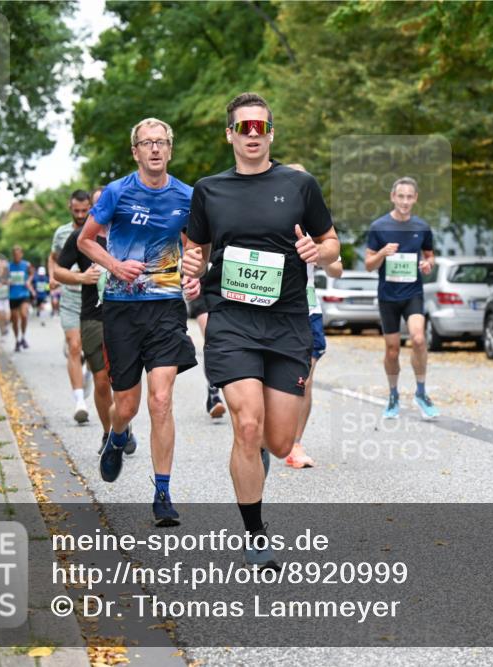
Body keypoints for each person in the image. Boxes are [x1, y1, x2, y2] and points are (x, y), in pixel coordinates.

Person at [183, 93, 339, 568]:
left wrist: (319, 252)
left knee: (279, 441)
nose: (253, 135)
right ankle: (255, 533)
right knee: (246, 423)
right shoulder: (209, 190)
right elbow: (196, 251)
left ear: (271, 133)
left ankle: (259, 456)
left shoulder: (299, 184)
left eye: (261, 128)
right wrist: (191, 262)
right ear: (229, 134)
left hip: (288, 321)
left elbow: (332, 244)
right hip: (232, 320)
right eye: (243, 127)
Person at [78, 118, 198, 528]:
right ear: (135, 152)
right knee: (126, 404)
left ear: (170, 149)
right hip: (122, 308)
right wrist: (114, 265)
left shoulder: (187, 196)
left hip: (165, 306)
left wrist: (195, 271)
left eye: (161, 142)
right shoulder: (116, 192)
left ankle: (162, 492)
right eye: (146, 143)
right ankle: (116, 436)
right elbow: (86, 240)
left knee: (161, 400)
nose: (154, 149)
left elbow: (195, 246)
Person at [54, 186, 139, 458]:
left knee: (123, 380)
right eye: (98, 205)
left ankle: (122, 425)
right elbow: (58, 271)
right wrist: (81, 278)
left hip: (127, 316)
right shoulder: (81, 237)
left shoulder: (129, 233)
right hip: (93, 317)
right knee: (102, 380)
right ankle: (108, 432)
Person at [283, 163, 344, 469]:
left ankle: (295, 444)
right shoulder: (267, 217)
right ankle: (269, 434)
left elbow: (337, 268)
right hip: (272, 312)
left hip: (307, 309)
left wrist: (319, 254)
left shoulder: (315, 223)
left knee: (304, 380)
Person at [364, 176, 439, 420]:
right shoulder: (379, 227)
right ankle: (393, 394)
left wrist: (428, 265)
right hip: (388, 296)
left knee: (418, 339)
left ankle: (421, 392)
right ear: (393, 197)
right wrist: (383, 254)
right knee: (393, 350)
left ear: (415, 198)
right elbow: (368, 264)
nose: (405, 201)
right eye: (401, 196)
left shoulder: (422, 227)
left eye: (409, 197)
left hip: (413, 293)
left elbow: (430, 256)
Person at [50, 190, 93, 424]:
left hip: (93, 301)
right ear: (70, 207)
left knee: (91, 351)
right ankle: (79, 401)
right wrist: (53, 276)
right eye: (75, 211)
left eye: (84, 211)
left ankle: (86, 373)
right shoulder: (63, 233)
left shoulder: (99, 231)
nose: (79, 215)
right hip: (70, 298)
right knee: (74, 346)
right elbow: (54, 259)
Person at [186, 291, 226, 418]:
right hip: (201, 288)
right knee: (211, 339)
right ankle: (214, 393)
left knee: (225, 343)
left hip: (226, 289)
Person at [8, 245, 36, 351]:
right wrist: (7, 281)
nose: (16, 256)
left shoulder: (26, 264)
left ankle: (23, 336)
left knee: (24, 315)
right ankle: (17, 340)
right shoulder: (8, 266)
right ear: (13, 255)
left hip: (24, 294)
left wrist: (29, 280)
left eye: (18, 254)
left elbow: (32, 273)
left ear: (22, 254)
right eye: (15, 255)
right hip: (12, 295)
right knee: (15, 319)